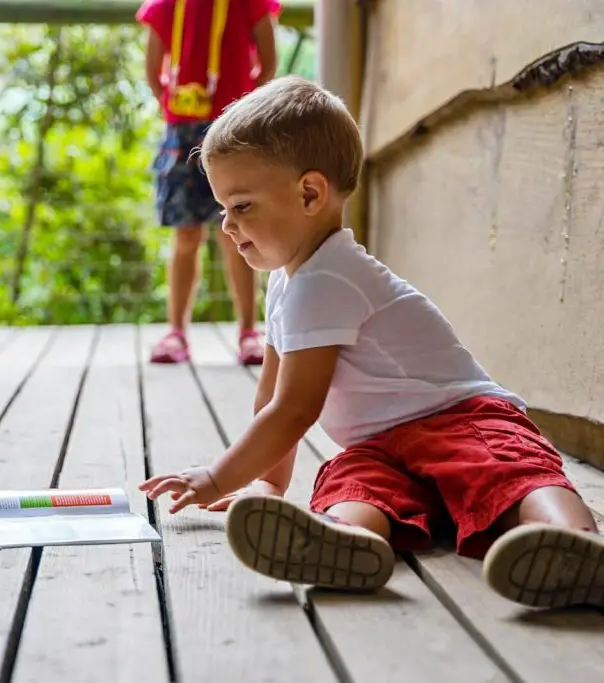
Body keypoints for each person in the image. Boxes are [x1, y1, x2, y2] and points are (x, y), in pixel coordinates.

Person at [139, 76, 604, 610]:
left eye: (241, 206)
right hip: (384, 448)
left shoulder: (328, 279)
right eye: (223, 208)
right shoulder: (289, 280)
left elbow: (293, 411)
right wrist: (266, 487)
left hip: (461, 421)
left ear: (310, 193)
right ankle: (344, 541)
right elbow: (270, 401)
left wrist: (219, 477)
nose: (226, 225)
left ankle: (575, 544)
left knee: (510, 473)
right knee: (355, 480)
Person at [136, 0, 280, 365]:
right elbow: (153, 70)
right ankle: (176, 333)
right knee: (186, 233)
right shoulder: (165, 6)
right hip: (182, 130)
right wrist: (175, 105)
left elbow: (269, 61)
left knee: (238, 232)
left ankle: (249, 331)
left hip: (235, 129)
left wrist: (245, 109)